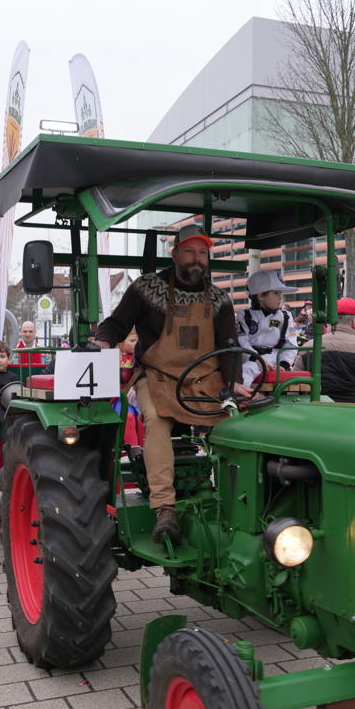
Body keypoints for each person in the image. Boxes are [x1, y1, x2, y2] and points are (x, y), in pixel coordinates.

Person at [93, 224, 248, 544]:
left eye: (203, 253)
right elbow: (116, 324)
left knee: (236, 425)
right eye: (190, 251)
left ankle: (235, 503)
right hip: (158, 377)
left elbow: (230, 347)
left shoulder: (220, 298)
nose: (197, 259)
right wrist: (103, 342)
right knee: (157, 420)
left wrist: (233, 385)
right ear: (174, 253)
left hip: (207, 380)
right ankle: (165, 508)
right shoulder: (146, 288)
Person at [236, 270, 299, 385]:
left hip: (277, 359)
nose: (280, 298)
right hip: (253, 359)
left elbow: (291, 344)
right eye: (276, 293)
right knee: (244, 371)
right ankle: (242, 399)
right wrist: (255, 358)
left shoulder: (286, 316)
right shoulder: (244, 315)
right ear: (260, 296)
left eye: (281, 293)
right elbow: (242, 341)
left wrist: (284, 364)